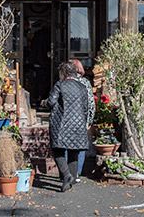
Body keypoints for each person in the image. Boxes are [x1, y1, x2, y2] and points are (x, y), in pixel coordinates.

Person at [42, 61, 90, 192]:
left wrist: (44, 102)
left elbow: (51, 102)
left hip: (61, 123)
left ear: (63, 73)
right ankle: (72, 178)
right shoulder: (82, 87)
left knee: (58, 149)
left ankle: (67, 175)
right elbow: (86, 108)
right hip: (78, 124)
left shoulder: (60, 85)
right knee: (74, 150)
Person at [67, 58, 95, 183]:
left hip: (67, 119)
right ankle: (77, 172)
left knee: (67, 144)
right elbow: (91, 103)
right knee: (81, 145)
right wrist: (89, 120)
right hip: (81, 118)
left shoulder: (64, 82)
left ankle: (67, 172)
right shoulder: (85, 82)